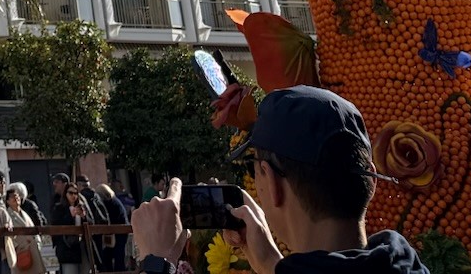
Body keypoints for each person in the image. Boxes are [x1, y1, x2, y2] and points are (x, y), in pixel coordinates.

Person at [130, 88, 430, 274]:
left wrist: (156, 261)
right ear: (371, 182)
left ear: (270, 182)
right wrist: (270, 262)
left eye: (254, 170)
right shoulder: (403, 264)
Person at [49, 176, 88, 274]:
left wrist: (84, 216)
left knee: (86, 270)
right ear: (65, 194)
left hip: (81, 246)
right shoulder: (59, 208)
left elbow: (90, 223)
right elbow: (56, 224)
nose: (73, 196)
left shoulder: (81, 206)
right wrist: (71, 215)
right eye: (70, 193)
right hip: (67, 247)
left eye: (75, 193)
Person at [2, 186, 37, 274]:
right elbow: (7, 235)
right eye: (13, 196)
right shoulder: (7, 215)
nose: (16, 198)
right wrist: (17, 246)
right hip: (19, 251)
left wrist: (37, 241)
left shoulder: (24, 213)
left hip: (31, 248)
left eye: (17, 196)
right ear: (8, 201)